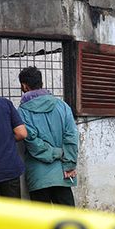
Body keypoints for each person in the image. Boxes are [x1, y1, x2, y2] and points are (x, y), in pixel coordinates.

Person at [18, 67, 79, 206]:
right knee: (68, 220)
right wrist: (69, 163)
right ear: (41, 83)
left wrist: (53, 153)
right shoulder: (62, 106)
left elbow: (32, 141)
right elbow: (71, 136)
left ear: (24, 86)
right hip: (63, 172)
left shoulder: (22, 112)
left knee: (42, 223)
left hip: (38, 176)